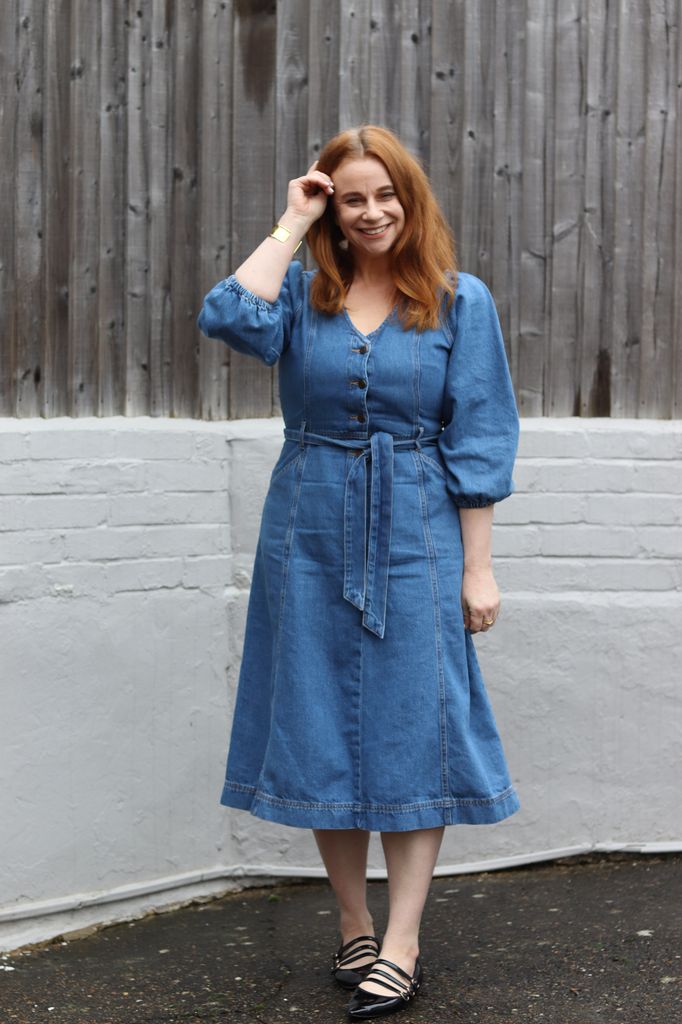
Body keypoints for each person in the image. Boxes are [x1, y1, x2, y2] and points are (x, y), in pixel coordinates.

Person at [196, 124, 520, 1020]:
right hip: (306, 529)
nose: (371, 211)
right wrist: (294, 221)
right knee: (316, 725)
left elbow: (482, 440)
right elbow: (226, 314)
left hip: (420, 529)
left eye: (386, 195)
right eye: (351, 197)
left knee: (420, 726)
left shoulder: (462, 301)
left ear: (410, 202)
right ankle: (353, 925)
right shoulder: (301, 295)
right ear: (331, 205)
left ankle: (405, 939)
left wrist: (478, 571)